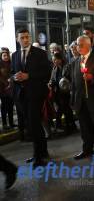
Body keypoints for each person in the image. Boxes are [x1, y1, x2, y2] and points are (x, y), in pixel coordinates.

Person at [11, 28, 52, 167]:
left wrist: (29, 76)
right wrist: (14, 77)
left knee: (34, 124)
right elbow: (12, 72)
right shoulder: (15, 55)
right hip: (21, 95)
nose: (25, 40)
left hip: (36, 94)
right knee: (32, 124)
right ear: (17, 39)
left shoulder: (39, 53)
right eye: (22, 37)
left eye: (27, 37)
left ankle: (38, 157)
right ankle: (43, 151)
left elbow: (46, 72)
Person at [48, 52, 76, 133]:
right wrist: (50, 83)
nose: (54, 62)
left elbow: (71, 78)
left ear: (60, 59)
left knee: (65, 108)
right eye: (53, 60)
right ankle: (69, 125)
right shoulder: (54, 68)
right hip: (57, 92)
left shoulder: (67, 66)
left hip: (66, 91)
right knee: (63, 109)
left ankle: (67, 125)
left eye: (55, 60)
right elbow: (52, 79)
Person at [0, 48, 15, 130]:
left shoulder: (11, 63)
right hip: (3, 89)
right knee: (4, 107)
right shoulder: (0, 64)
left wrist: (11, 81)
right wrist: (7, 83)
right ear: (1, 56)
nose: (6, 57)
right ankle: (5, 124)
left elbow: (13, 74)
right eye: (4, 55)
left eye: (7, 55)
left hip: (11, 89)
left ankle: (12, 123)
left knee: (10, 106)